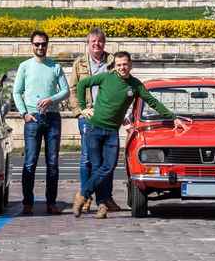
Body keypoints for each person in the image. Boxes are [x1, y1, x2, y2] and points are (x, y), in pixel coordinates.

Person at [75, 51, 191, 218]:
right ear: (115, 66)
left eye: (125, 64)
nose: (122, 67)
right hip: (94, 128)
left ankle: (82, 194)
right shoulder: (105, 77)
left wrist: (173, 118)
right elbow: (82, 84)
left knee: (107, 167)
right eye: (119, 64)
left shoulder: (135, 85)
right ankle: (101, 205)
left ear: (130, 65)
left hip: (112, 132)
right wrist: (82, 108)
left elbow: (152, 101)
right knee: (97, 167)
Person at [13, 29, 69, 215]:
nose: (40, 47)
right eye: (37, 44)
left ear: (47, 45)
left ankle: (51, 202)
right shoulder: (25, 66)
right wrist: (24, 114)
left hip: (52, 117)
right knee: (30, 161)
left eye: (43, 44)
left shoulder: (55, 67)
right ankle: (27, 202)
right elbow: (16, 92)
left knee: (52, 162)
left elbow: (66, 91)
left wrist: (51, 99)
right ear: (32, 45)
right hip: (33, 118)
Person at [68, 28, 116, 212]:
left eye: (100, 41)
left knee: (107, 160)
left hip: (107, 117)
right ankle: (86, 196)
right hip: (88, 117)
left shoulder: (112, 62)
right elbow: (73, 88)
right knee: (87, 157)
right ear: (87, 43)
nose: (97, 44)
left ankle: (106, 198)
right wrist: (79, 111)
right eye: (93, 41)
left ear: (104, 43)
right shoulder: (79, 63)